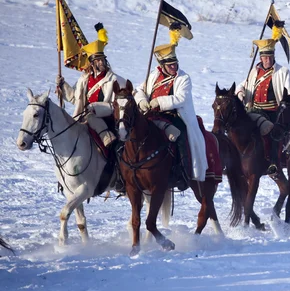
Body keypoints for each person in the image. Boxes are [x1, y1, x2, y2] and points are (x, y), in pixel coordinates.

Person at [134, 27, 208, 182]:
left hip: (173, 116)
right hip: (151, 116)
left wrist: (158, 102)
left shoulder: (183, 78)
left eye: (175, 63)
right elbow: (139, 90)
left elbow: (181, 98)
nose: (174, 67)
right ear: (162, 65)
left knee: (179, 136)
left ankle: (182, 171)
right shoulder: (153, 75)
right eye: (170, 65)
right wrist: (142, 101)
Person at [236, 23, 290, 175]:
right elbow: (243, 85)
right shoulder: (254, 71)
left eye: (269, 56)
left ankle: (273, 162)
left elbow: (288, 94)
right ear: (260, 57)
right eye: (264, 56)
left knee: (271, 133)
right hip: (253, 109)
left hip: (274, 112)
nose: (267, 59)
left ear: (273, 56)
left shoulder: (283, 72)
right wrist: (241, 93)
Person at [56, 23, 125, 147]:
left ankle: (107, 138)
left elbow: (117, 106)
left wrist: (95, 107)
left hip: (106, 120)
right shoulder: (84, 79)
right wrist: (63, 86)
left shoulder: (115, 80)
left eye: (102, 59)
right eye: (98, 60)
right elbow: (75, 99)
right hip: (83, 119)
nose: (101, 62)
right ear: (92, 63)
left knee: (92, 118)